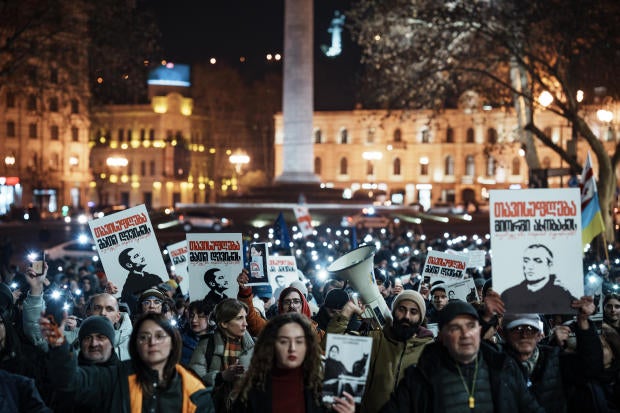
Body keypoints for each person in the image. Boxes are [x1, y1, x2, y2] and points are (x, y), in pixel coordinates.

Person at [381, 300, 546, 412]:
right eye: (455, 328)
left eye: (471, 326)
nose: (465, 334)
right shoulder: (419, 378)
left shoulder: (505, 368)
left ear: (479, 331)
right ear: (443, 337)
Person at [41, 312, 214, 413]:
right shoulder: (114, 377)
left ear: (173, 342)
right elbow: (69, 382)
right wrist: (59, 344)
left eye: (159, 336)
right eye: (144, 337)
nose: (152, 342)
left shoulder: (194, 391)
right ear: (135, 344)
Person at [328, 290, 434, 413]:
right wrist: (346, 312)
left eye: (413, 312)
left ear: (420, 318)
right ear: (393, 311)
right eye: (402, 309)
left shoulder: (430, 350)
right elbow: (332, 348)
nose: (406, 316)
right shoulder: (375, 339)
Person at [230, 312, 356, 413]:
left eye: (299, 341)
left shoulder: (321, 388)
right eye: (284, 341)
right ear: (272, 345)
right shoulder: (249, 392)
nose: (292, 348)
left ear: (308, 346)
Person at [501, 298, 604, 412]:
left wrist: (583, 321)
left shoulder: (556, 358)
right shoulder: (495, 362)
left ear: (539, 334)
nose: (524, 335)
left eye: (531, 329)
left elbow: (591, 368)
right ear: (504, 334)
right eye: (517, 329)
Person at [188, 298, 254, 412]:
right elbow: (194, 381)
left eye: (245, 318)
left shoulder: (255, 346)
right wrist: (221, 376)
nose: (245, 323)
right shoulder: (207, 344)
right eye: (239, 318)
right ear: (224, 323)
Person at [237, 270, 326, 341]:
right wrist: (245, 291)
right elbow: (251, 318)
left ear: (303, 305)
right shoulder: (272, 329)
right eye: (287, 302)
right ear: (281, 306)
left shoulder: (318, 334)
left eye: (296, 301)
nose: (292, 305)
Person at [500, 244, 575, 313]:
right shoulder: (509, 295)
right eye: (526, 260)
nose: (530, 266)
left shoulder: (562, 295)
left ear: (550, 265)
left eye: (538, 261)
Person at [87, 293, 133, 361]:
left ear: (117, 317)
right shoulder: (76, 343)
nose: (103, 313)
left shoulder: (135, 344)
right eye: (97, 308)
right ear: (89, 314)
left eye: (109, 309)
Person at [119, 247, 164, 314]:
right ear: (129, 265)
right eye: (136, 256)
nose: (141, 257)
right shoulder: (129, 286)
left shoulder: (154, 277)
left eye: (139, 254)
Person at [181, 299, 214, 366]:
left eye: (200, 316)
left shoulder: (217, 341)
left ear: (209, 318)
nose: (194, 320)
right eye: (192, 316)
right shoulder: (180, 341)